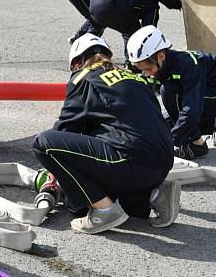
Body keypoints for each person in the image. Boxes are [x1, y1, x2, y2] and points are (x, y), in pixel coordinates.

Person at [31, 35, 179, 234]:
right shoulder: (134, 77)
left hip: (132, 159)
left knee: (44, 144)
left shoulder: (84, 77)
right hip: (161, 163)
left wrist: (54, 174)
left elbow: (65, 130)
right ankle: (155, 195)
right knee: (117, 205)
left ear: (76, 63)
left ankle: (105, 210)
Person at [127, 26, 216, 160]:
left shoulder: (188, 65)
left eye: (148, 69)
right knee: (162, 126)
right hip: (206, 92)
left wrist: (169, 144)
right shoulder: (164, 63)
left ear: (161, 55)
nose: (146, 73)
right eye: (142, 70)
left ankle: (197, 146)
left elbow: (191, 111)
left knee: (169, 93)